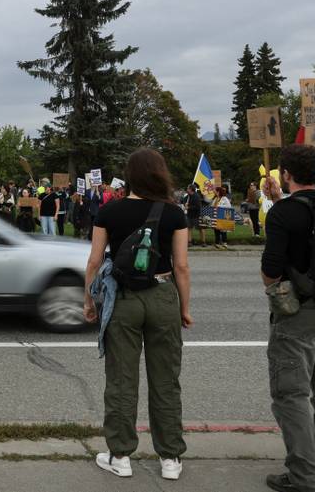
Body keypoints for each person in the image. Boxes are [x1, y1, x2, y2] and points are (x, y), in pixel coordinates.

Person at [84, 148, 192, 482]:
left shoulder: (109, 211)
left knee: (121, 379)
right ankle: (170, 457)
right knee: (165, 379)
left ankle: (120, 456)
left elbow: (94, 260)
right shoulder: (174, 213)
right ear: (160, 174)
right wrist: (184, 308)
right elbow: (182, 266)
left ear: (129, 175)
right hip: (162, 294)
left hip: (123, 298)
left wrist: (88, 301)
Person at [260, 144, 315, 492]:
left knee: (291, 394)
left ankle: (304, 476)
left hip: (300, 312)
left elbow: (271, 271)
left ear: (285, 174)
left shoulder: (283, 214)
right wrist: (278, 199)